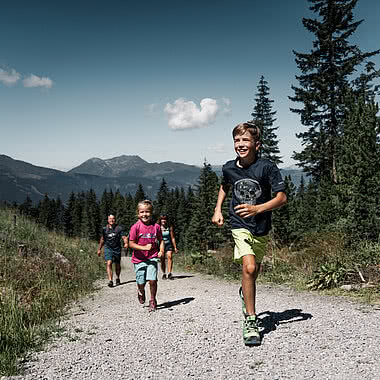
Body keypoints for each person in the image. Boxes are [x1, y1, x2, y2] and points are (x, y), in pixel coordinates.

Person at [212, 121, 287, 346]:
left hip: (261, 226)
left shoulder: (267, 167)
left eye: (245, 140)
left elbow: (281, 197)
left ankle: (246, 294)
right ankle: (251, 321)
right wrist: (217, 209)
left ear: (257, 144)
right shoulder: (228, 167)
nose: (240, 144)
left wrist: (257, 209)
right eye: (237, 140)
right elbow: (225, 186)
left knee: (253, 272)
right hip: (239, 223)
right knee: (250, 266)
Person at [129, 200, 164, 312]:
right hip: (139, 259)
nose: (145, 214)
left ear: (151, 213)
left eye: (147, 212)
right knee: (141, 282)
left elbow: (161, 240)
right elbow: (131, 243)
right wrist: (144, 248)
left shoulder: (156, 227)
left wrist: (161, 250)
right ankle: (141, 291)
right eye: (142, 212)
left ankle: (153, 300)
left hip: (152, 257)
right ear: (138, 214)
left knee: (152, 280)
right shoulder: (136, 227)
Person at [97, 214, 129, 288]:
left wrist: (126, 243)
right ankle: (110, 281)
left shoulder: (119, 228)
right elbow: (102, 239)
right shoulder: (105, 229)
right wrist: (99, 249)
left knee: (117, 265)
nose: (112, 220)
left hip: (117, 248)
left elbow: (124, 237)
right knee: (109, 263)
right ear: (108, 220)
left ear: (115, 220)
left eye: (113, 219)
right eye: (110, 219)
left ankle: (117, 277)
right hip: (108, 248)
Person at [157, 215, 178, 280]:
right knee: (162, 259)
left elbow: (172, 237)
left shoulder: (169, 227)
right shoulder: (158, 227)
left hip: (168, 244)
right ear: (160, 220)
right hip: (161, 245)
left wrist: (175, 247)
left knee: (169, 256)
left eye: (165, 219)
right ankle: (164, 273)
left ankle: (169, 273)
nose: (163, 220)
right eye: (162, 219)